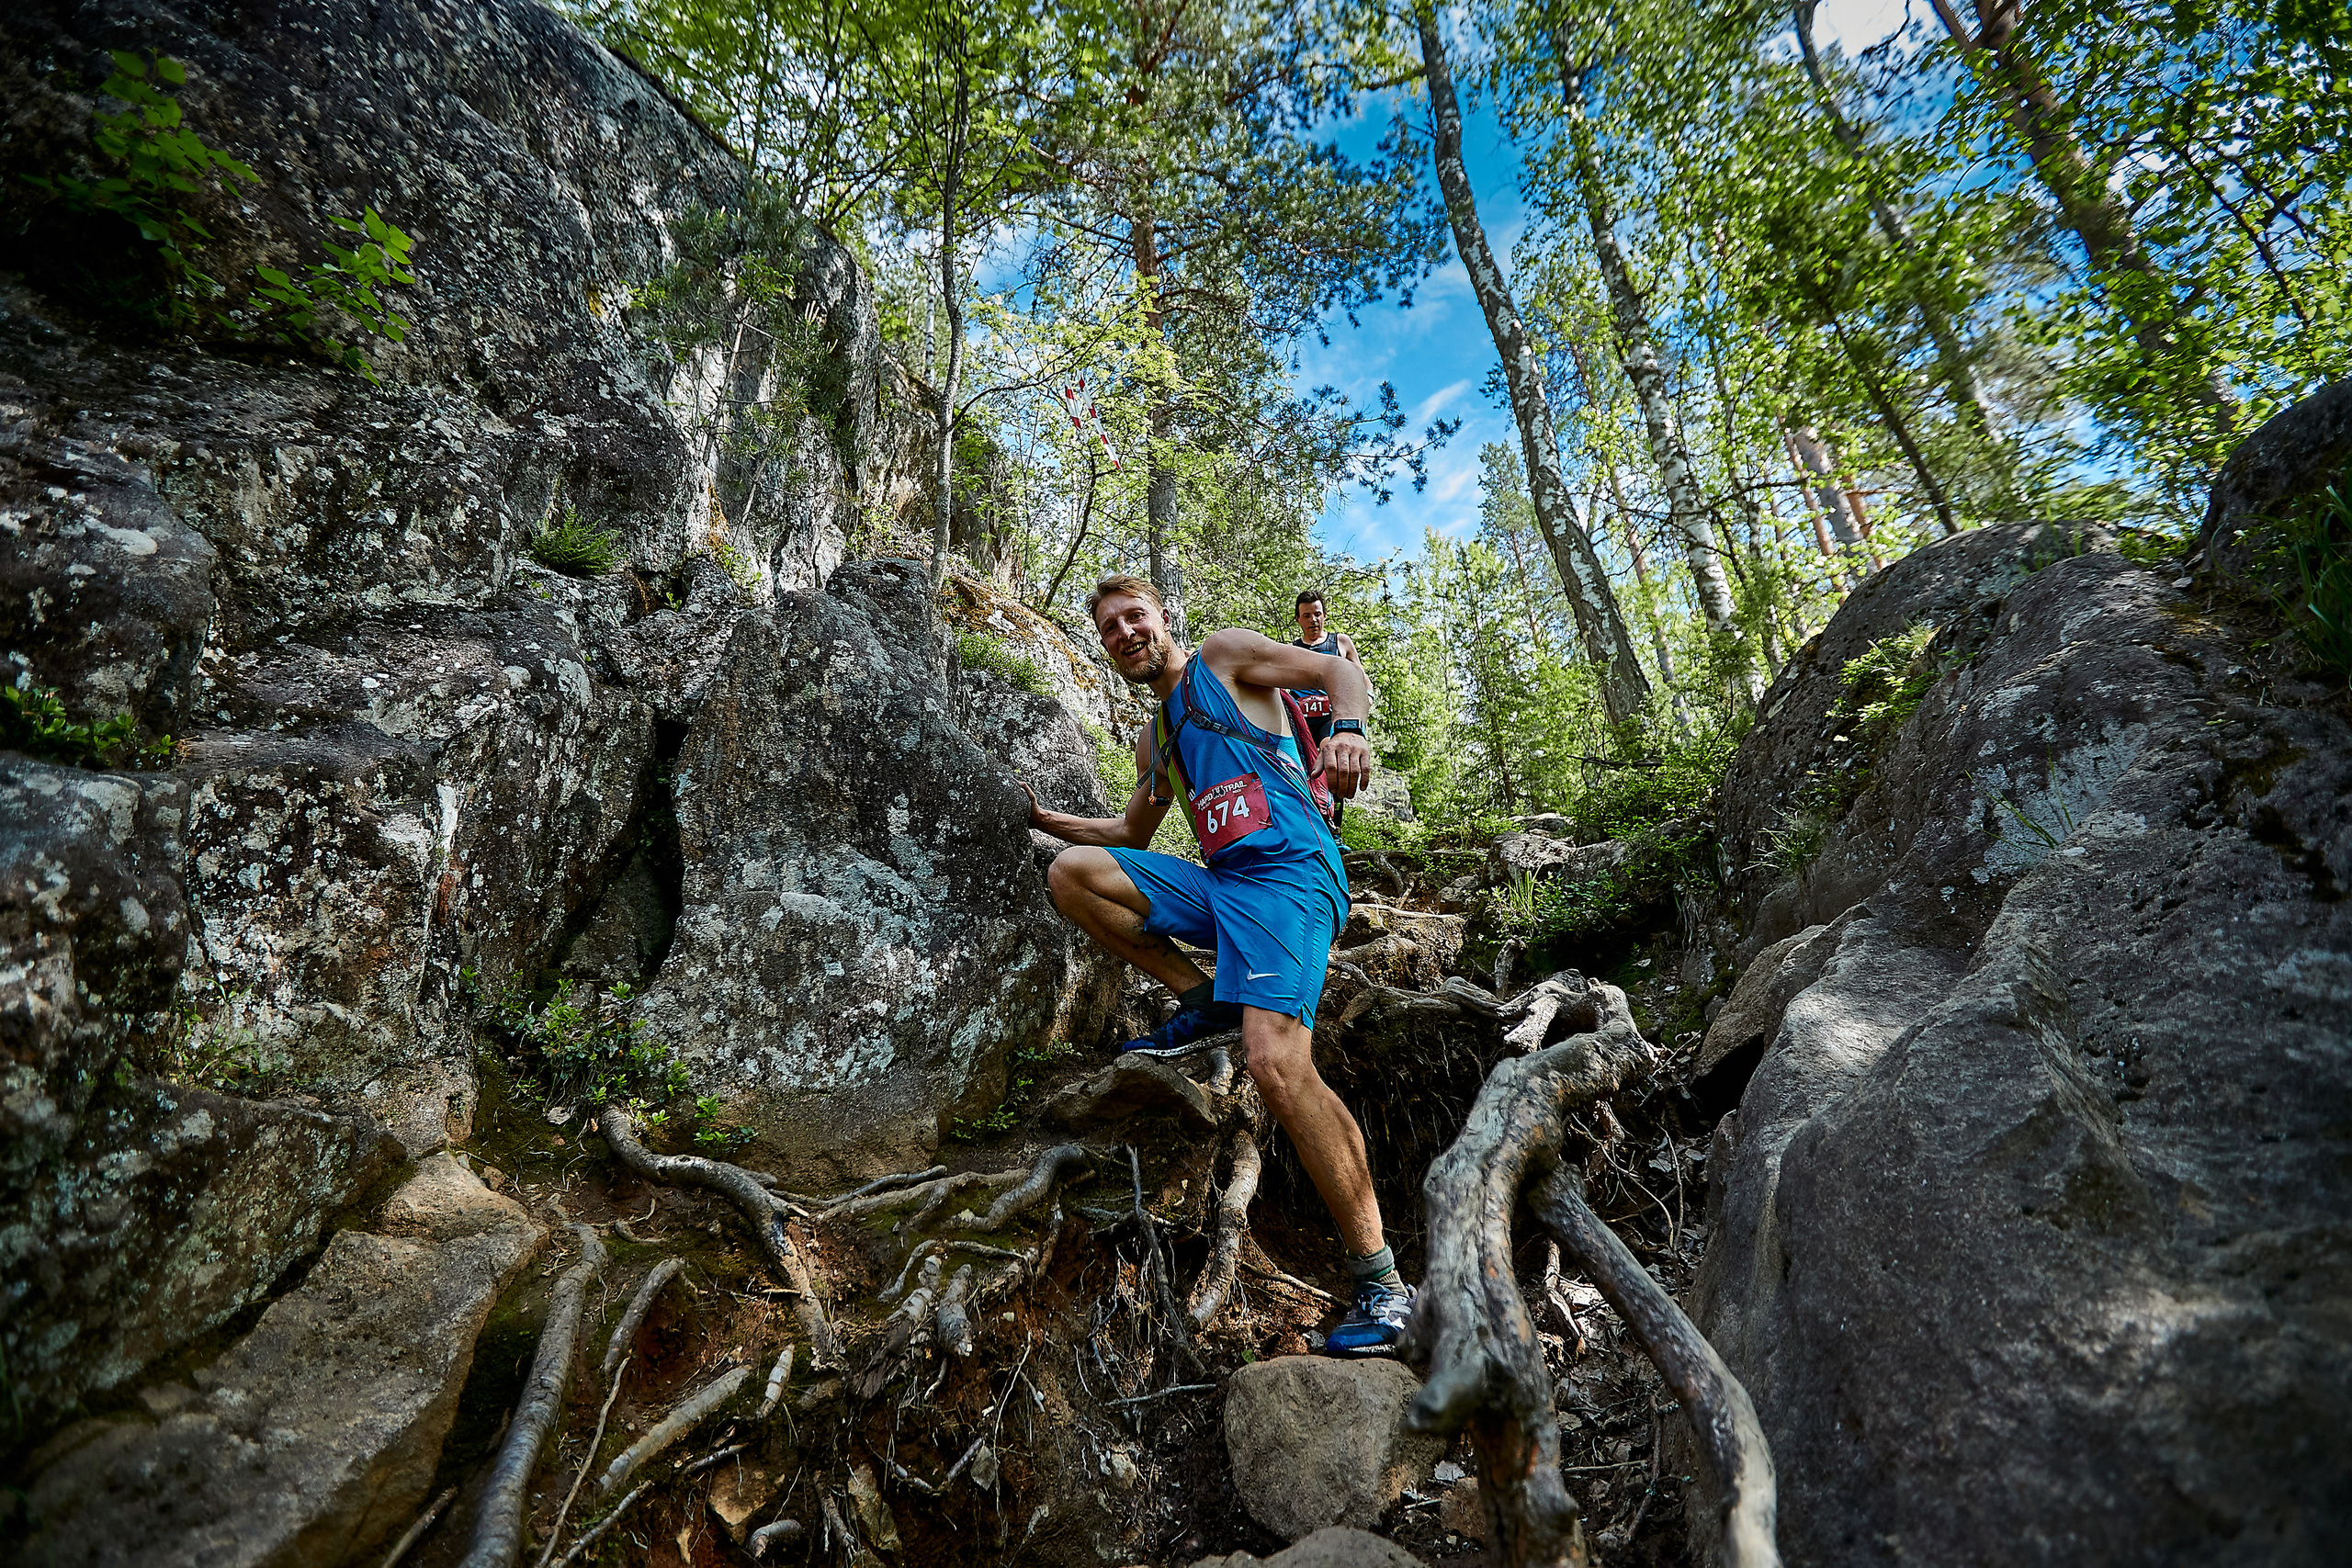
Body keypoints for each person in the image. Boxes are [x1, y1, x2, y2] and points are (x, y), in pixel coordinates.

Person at [1023, 574, 1413, 1357]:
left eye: (1134, 616)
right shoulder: (1156, 737)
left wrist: (1349, 731)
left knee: (1276, 1063)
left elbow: (1339, 670)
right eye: (1109, 628)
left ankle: (1386, 1286)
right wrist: (1040, 817)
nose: (1125, 633)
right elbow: (1131, 831)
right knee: (1072, 874)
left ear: (1163, 616)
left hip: (1291, 876)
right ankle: (1202, 999)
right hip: (1225, 887)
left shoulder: (1224, 659)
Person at [1287, 590, 1364, 826]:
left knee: (1332, 760)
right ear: (1298, 619)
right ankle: (1308, 825)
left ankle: (1334, 826)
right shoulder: (1291, 650)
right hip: (1300, 720)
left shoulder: (1340, 642)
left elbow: (1361, 679)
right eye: (1307, 615)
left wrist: (1365, 702)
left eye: (1317, 614)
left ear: (1324, 615)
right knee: (1299, 769)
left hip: (1329, 718)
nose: (1313, 620)